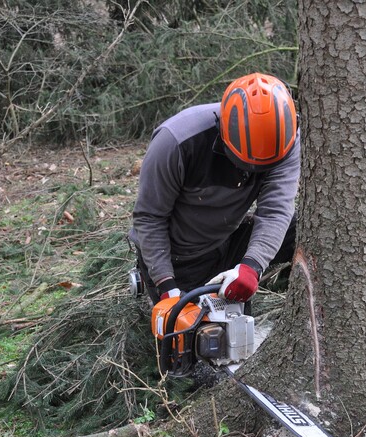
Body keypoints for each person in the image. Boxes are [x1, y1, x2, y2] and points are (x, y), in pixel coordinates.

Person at [129, 72, 300, 305]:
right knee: (200, 333)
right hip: (181, 255)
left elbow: (276, 210)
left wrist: (252, 266)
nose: (252, 172)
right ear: (224, 132)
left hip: (229, 236)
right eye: (244, 164)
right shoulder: (177, 142)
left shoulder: (286, 138)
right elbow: (150, 217)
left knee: (301, 229)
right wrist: (166, 285)